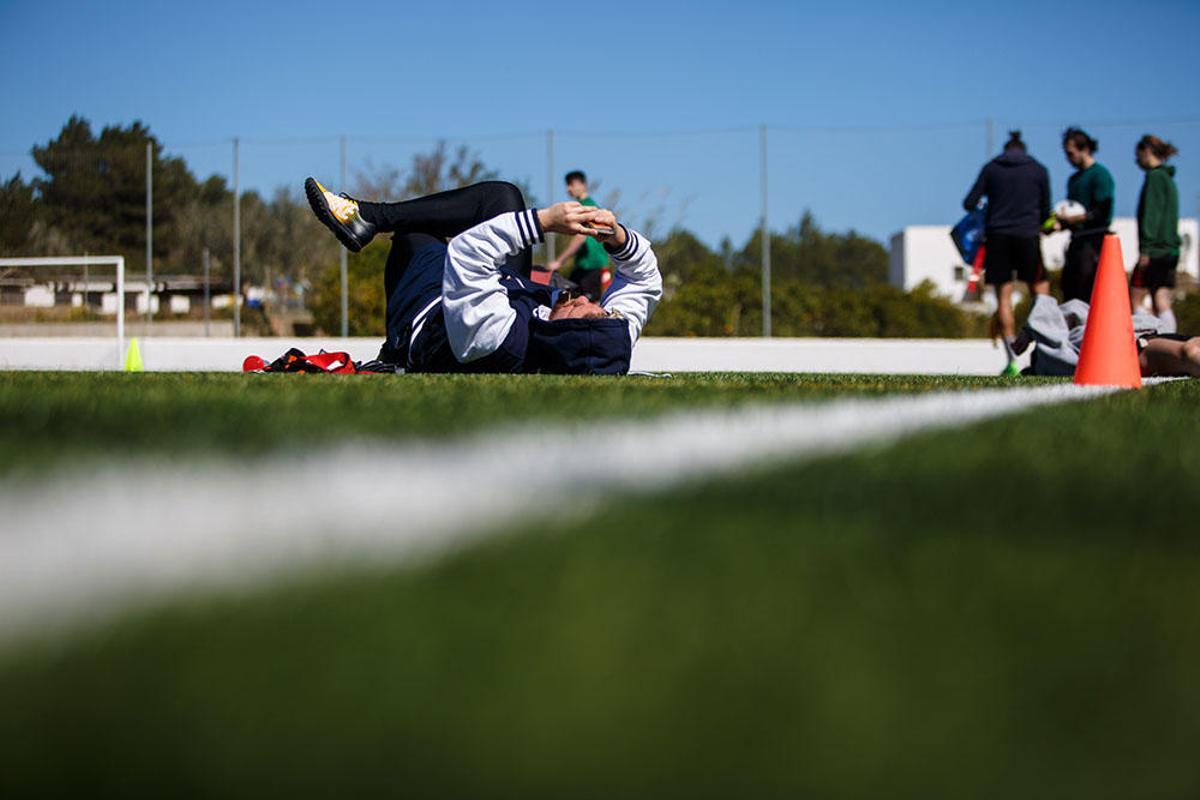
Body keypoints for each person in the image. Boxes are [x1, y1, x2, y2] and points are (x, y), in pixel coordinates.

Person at [304, 178, 661, 375]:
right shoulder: (612, 337)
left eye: (582, 309)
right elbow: (644, 279)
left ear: (561, 332)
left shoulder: (497, 339)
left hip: (428, 310)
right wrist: (616, 236)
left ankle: (371, 217)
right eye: (603, 309)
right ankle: (367, 217)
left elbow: (467, 253)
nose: (583, 297)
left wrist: (545, 221)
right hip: (506, 292)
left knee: (417, 234)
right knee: (503, 197)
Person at [963, 130, 1052, 375]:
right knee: (1041, 295)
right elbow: (1046, 211)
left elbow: (969, 202)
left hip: (998, 237)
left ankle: (1012, 360)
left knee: (1004, 298)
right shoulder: (1038, 170)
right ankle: (1045, 353)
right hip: (1028, 236)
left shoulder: (991, 169)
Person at [1056, 128, 1115, 302]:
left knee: (1088, 289)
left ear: (1085, 149)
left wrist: (1076, 219)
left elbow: (1102, 211)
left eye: (1071, 153)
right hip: (1076, 241)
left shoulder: (1100, 175)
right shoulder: (1074, 180)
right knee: (1070, 290)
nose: (1068, 158)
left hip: (1094, 241)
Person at [1130, 134, 1181, 333]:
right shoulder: (1168, 178)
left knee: (1135, 296)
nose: (1136, 161)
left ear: (1147, 152)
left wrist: (1146, 248)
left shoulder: (1155, 177)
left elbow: (1152, 215)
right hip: (1170, 249)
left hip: (1156, 249)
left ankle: (1150, 337)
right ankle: (1168, 338)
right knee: (1160, 297)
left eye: (1138, 156)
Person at [545, 170, 611, 301]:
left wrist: (559, 262)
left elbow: (580, 238)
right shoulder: (590, 205)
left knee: (588, 305)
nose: (568, 189)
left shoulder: (586, 207)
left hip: (592, 266)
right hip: (583, 266)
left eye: (571, 184)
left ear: (583, 185)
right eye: (567, 185)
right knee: (568, 299)